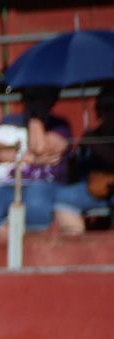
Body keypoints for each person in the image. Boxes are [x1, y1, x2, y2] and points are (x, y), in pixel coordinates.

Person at [0, 89, 73, 235]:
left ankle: (32, 243)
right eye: (30, 98)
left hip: (44, 184)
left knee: (35, 204)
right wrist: (32, 159)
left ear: (52, 100)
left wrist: (36, 118)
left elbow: (41, 148)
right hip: (7, 185)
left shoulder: (60, 125)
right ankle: (10, 239)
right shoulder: (9, 121)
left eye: (40, 99)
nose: (33, 103)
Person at [53, 85, 114, 235]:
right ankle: (79, 249)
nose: (111, 112)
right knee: (63, 198)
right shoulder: (92, 136)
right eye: (106, 107)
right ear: (98, 111)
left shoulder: (93, 140)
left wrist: (97, 146)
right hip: (95, 187)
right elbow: (76, 169)